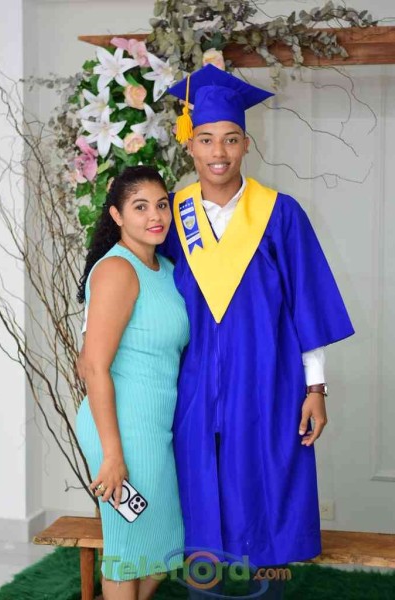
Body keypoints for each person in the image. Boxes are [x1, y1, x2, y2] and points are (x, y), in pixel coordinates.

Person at [158, 64, 355, 599]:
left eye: (230, 138)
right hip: (193, 380)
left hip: (269, 377)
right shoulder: (171, 217)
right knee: (199, 488)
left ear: (247, 144)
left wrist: (316, 388)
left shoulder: (280, 214)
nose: (218, 151)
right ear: (189, 146)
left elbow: (307, 305)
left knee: (265, 489)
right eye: (205, 139)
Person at [75, 165, 190, 600]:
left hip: (155, 427)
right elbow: (93, 367)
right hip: (121, 429)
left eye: (161, 205)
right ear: (117, 215)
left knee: (162, 546)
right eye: (140, 207)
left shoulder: (167, 270)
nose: (155, 216)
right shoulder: (117, 270)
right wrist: (112, 455)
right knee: (128, 551)